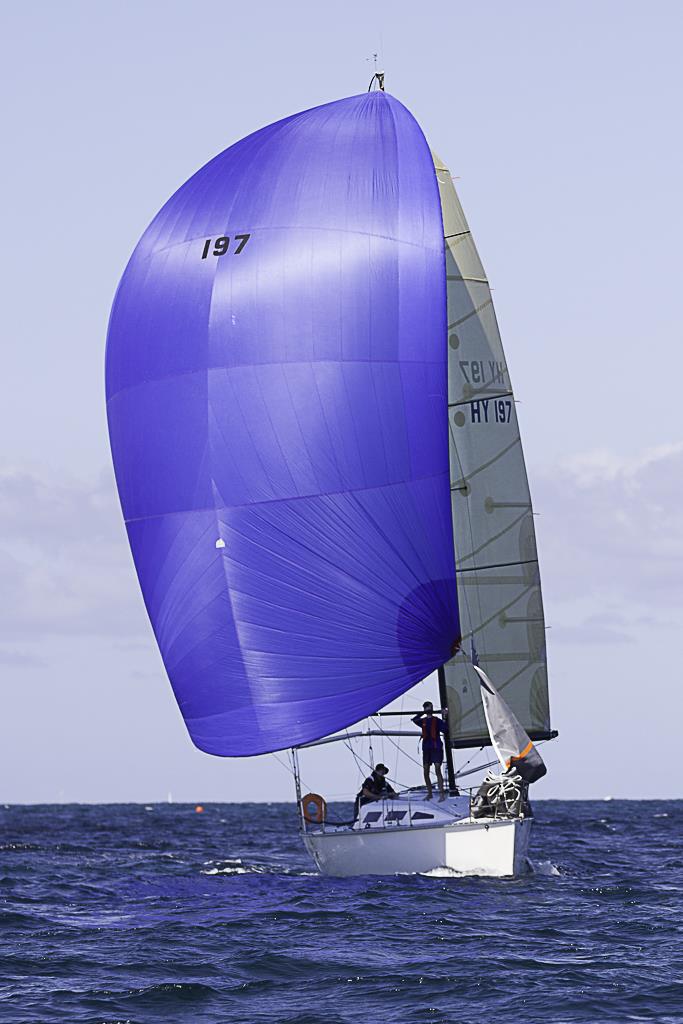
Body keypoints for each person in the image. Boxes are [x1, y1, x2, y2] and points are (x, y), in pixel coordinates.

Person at [412, 701, 448, 801]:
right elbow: (414, 719)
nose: (429, 710)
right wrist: (421, 713)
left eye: (430, 708)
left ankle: (441, 794)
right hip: (426, 748)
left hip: (436, 747)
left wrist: (445, 717)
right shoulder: (423, 721)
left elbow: (445, 729)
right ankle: (430, 793)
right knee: (426, 771)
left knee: (437, 769)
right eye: (427, 708)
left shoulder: (436, 720)